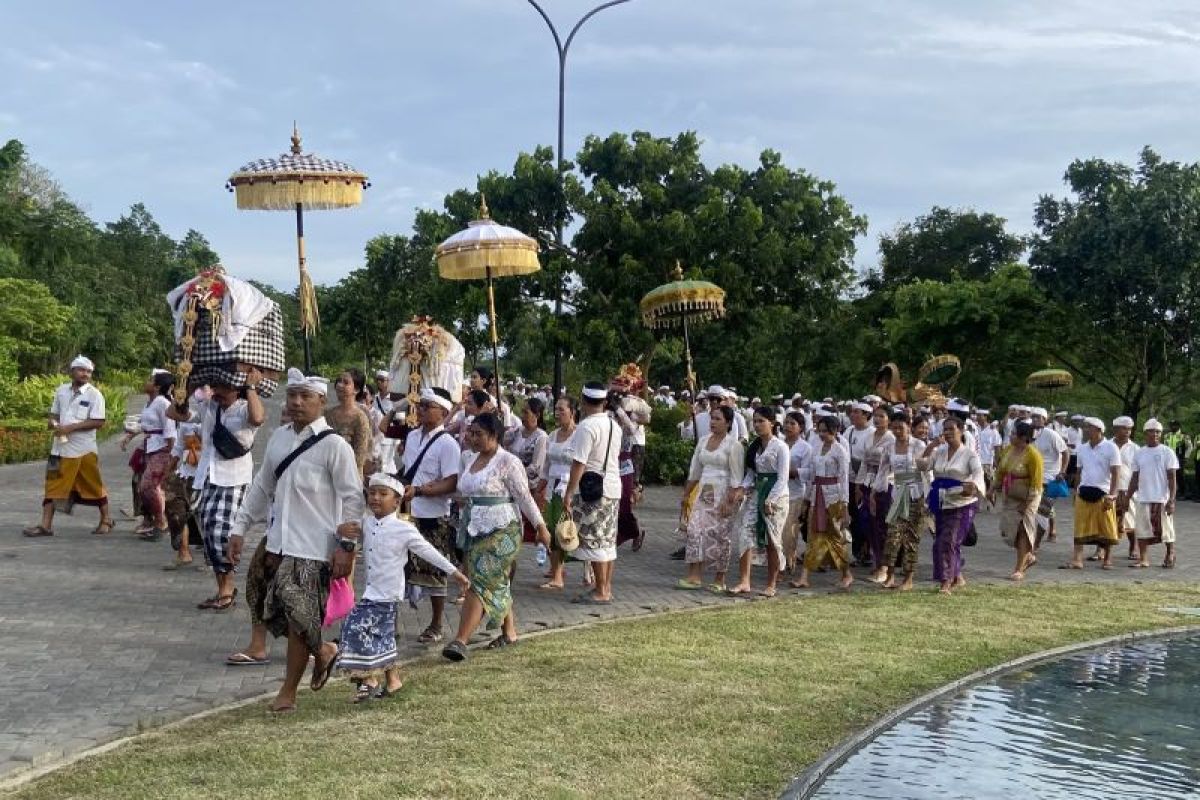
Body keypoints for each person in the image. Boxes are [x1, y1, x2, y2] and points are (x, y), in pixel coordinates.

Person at [227, 369, 365, 713]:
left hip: (314, 547)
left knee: (297, 614)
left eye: (306, 396)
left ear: (322, 401)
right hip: (277, 540)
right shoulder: (278, 438)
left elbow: (352, 500)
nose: (297, 402)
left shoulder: (334, 446)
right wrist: (239, 527)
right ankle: (324, 650)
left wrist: (346, 548)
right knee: (259, 597)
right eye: (292, 395)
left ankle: (288, 691)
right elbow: (262, 486)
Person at [337, 474, 468, 701]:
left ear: (397, 501)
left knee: (354, 628)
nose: (376, 498)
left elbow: (428, 551)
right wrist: (340, 531)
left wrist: (455, 573)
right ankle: (393, 680)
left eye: (383, 494)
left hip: (387, 594)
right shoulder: (366, 523)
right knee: (383, 638)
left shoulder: (403, 528)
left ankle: (368, 681)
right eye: (372, 493)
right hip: (370, 591)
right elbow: (346, 532)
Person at [443, 413, 551, 660]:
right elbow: (463, 492)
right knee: (496, 579)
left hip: (503, 529)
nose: (472, 438)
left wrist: (541, 526)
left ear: (494, 436)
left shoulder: (508, 461)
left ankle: (460, 640)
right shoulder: (469, 459)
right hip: (474, 528)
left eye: (478, 434)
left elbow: (524, 497)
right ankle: (509, 631)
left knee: (480, 579)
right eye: (470, 433)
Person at [170, 371, 265, 613]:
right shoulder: (208, 407)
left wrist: (251, 387)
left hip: (233, 479)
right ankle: (222, 587)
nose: (219, 391)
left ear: (237, 388)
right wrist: (186, 384)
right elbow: (175, 413)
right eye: (216, 385)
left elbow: (258, 418)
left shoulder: (244, 408)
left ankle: (228, 587)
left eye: (225, 386)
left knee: (223, 533)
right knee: (209, 534)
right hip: (206, 477)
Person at [24, 355, 114, 537]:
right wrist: (53, 422)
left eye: (88, 371)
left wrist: (71, 427)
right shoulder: (62, 391)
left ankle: (106, 520)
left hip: (83, 450)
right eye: (81, 370)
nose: (85, 374)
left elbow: (98, 421)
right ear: (72, 371)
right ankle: (46, 526)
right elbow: (54, 414)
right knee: (51, 486)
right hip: (59, 448)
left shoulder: (94, 394)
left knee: (93, 486)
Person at [400, 388, 462, 644]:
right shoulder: (413, 436)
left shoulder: (448, 443)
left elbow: (451, 482)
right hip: (407, 512)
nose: (422, 409)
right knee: (399, 567)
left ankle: (436, 624)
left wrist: (421, 490)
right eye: (421, 405)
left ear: (444, 412)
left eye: (428, 406)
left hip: (433, 514)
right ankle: (389, 620)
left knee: (434, 568)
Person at [562, 381, 623, 604]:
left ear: (583, 401)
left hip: (593, 487)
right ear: (604, 402)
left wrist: (569, 493)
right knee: (607, 539)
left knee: (596, 540)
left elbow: (579, 462)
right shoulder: (614, 425)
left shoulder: (586, 427)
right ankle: (605, 586)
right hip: (613, 485)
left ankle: (601, 590)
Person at [677, 406, 745, 593]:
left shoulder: (734, 445)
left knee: (720, 535)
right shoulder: (703, 441)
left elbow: (737, 477)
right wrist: (686, 494)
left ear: (729, 423)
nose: (713, 422)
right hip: (703, 492)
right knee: (695, 530)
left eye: (718, 419)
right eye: (711, 418)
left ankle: (719, 579)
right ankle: (694, 576)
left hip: (724, 494)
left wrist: (730, 501)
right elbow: (695, 470)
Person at [728, 408, 790, 597]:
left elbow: (782, 478)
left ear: (772, 422)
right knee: (745, 532)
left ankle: (771, 583)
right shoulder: (755, 446)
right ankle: (744, 580)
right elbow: (752, 474)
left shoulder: (780, 447)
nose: (757, 425)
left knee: (772, 538)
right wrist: (742, 489)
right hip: (757, 493)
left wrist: (770, 499)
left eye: (761, 421)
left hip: (776, 496)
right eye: (754, 421)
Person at [920, 417, 984, 595]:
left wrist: (973, 486)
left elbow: (978, 473)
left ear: (961, 430)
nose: (947, 433)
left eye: (951, 429)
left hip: (962, 503)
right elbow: (922, 465)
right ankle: (956, 575)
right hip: (942, 502)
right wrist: (931, 446)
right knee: (942, 541)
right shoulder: (939, 452)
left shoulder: (969, 454)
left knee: (948, 541)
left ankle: (946, 581)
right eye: (944, 429)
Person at [792, 416, 852, 590]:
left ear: (834, 431)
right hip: (816, 496)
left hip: (833, 498)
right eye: (820, 430)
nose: (822, 434)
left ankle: (846, 573)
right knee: (813, 535)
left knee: (834, 537)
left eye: (826, 431)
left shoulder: (840, 451)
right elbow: (812, 476)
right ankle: (804, 576)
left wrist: (845, 505)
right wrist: (807, 498)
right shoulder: (816, 449)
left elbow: (844, 478)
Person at [872, 412, 928, 590]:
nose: (897, 431)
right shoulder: (889, 447)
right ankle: (890, 576)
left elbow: (927, 471)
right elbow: (882, 470)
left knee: (911, 537)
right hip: (897, 493)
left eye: (900, 427)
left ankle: (908, 579)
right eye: (894, 428)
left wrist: (929, 497)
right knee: (892, 536)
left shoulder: (919, 445)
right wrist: (875, 491)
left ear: (909, 426)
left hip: (916, 494)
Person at [120, 370, 177, 541]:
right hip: (149, 446)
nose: (147, 382)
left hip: (161, 447)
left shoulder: (162, 403)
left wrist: (171, 453)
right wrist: (130, 436)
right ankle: (153, 520)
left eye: (151, 380)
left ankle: (161, 522)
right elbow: (145, 425)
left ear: (158, 386)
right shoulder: (149, 403)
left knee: (149, 485)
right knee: (143, 485)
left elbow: (170, 429)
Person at [1061, 417, 1121, 570]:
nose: (1086, 430)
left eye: (1090, 427)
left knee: (1107, 527)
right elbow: (1079, 472)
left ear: (1099, 430)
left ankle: (1107, 559)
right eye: (1086, 427)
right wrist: (1076, 491)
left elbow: (1116, 473)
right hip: (1084, 490)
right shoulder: (1082, 448)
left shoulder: (1111, 447)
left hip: (1103, 492)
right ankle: (1077, 559)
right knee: (1080, 526)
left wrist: (1113, 494)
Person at [990, 421, 1043, 581]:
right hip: (1010, 497)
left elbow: (1036, 483)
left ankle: (1019, 568)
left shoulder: (1033, 455)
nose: (1011, 436)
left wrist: (1026, 504)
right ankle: (1029, 556)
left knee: (1023, 530)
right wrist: (992, 489)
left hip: (1028, 497)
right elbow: (1000, 472)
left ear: (1023, 437)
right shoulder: (1008, 450)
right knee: (1010, 529)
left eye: (1013, 433)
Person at [161, 387, 208, 570]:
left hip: (207, 476)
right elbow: (179, 447)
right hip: (186, 473)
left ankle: (210, 559)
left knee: (204, 517)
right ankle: (183, 552)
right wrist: (168, 471)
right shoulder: (189, 421)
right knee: (175, 510)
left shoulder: (217, 420)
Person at [535, 396, 578, 590]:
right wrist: (539, 488)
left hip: (569, 488)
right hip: (552, 487)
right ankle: (557, 573)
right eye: (556, 409)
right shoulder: (552, 435)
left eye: (562, 409)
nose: (558, 413)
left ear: (572, 412)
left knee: (565, 531)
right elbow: (546, 466)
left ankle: (580, 570)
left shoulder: (578, 436)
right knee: (551, 530)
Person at [1128, 418, 1179, 569]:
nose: (1155, 434)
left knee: (1166, 529)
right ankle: (1143, 559)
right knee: (1142, 529)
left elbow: (1172, 478)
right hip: (1143, 497)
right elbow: (1135, 478)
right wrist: (1127, 497)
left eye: (1158, 432)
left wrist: (1171, 500)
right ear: (1145, 433)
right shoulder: (1139, 453)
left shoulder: (1167, 452)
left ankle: (1170, 553)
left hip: (1161, 498)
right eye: (1151, 431)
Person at [506, 397, 550, 545]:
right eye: (522, 412)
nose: (523, 416)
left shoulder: (541, 437)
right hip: (510, 484)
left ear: (536, 415)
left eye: (526, 412)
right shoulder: (517, 431)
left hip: (528, 485)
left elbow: (536, 467)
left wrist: (515, 473)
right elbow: (501, 440)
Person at [858, 406, 895, 575]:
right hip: (868, 481)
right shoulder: (869, 436)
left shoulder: (892, 439)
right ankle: (876, 559)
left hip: (884, 483)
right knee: (867, 523)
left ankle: (884, 566)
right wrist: (859, 484)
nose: (878, 419)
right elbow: (864, 462)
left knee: (881, 524)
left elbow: (889, 466)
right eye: (876, 415)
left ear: (889, 419)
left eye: (882, 416)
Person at [1031, 408, 1069, 547]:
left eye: (1038, 417)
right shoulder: (1030, 434)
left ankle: (1036, 544)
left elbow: (1066, 452)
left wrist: (1062, 471)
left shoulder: (1051, 434)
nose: (1035, 419)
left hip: (1050, 479)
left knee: (1043, 513)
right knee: (1034, 511)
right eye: (1033, 417)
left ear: (1044, 419)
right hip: (1033, 479)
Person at [326, 368, 373, 479]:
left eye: (346, 382)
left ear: (356, 389)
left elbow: (360, 457)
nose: (340, 385)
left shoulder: (360, 418)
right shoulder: (327, 414)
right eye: (339, 381)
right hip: (326, 474)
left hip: (350, 476)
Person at [781, 411, 812, 578]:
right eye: (786, 423)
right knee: (778, 529)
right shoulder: (778, 443)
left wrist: (793, 472)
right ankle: (781, 560)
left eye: (792, 424)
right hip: (779, 492)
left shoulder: (805, 448)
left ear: (801, 428)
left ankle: (788, 560)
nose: (788, 427)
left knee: (789, 530)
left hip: (796, 493)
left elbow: (809, 471)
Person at [1111, 416, 1140, 561]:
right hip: (1109, 488)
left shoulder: (1135, 448)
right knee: (1107, 519)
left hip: (1128, 489)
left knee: (1130, 520)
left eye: (1129, 429)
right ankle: (1101, 549)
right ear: (1115, 429)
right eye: (1124, 428)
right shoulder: (1107, 445)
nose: (1128, 431)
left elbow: (1138, 471)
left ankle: (1133, 546)